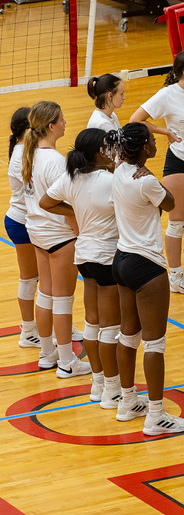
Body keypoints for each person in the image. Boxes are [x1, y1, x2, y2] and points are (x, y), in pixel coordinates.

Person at [107, 122, 184, 435]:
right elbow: (170, 203)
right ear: (144, 147)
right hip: (147, 265)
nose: (157, 144)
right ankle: (156, 415)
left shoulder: (118, 172)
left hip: (121, 260)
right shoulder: (147, 182)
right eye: (152, 141)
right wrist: (153, 178)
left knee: (128, 336)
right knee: (155, 343)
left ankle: (127, 401)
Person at [40, 128, 121, 405]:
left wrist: (74, 209)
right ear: (99, 152)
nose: (112, 153)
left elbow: (45, 202)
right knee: (110, 327)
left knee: (91, 321)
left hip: (84, 256)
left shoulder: (71, 176)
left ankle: (98, 384)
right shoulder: (110, 180)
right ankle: (112, 390)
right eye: (108, 148)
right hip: (107, 257)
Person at [130, 50, 184, 295]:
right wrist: (166, 132)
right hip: (179, 161)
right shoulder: (167, 95)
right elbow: (135, 120)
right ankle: (176, 276)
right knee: (177, 223)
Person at [22, 101, 88, 377]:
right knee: (63, 299)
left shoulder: (30, 154)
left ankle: (47, 353)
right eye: (61, 119)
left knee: (46, 294)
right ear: (51, 126)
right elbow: (68, 204)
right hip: (59, 236)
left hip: (38, 233)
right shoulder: (57, 162)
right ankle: (67, 362)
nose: (65, 123)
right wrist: (81, 234)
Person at [5, 107, 40, 350]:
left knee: (46, 280)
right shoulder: (21, 155)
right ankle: (28, 331)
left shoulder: (26, 151)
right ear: (28, 130)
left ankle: (56, 325)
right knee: (30, 278)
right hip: (22, 222)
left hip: (29, 221)